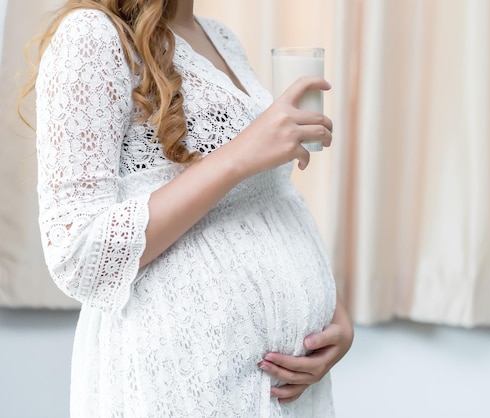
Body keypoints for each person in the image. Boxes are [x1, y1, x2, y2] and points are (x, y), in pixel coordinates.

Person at [22, 0, 353, 416]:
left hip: (280, 391)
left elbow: (270, 195)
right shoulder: (92, 36)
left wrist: (336, 318)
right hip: (186, 383)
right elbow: (78, 254)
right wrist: (239, 155)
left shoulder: (221, 38)